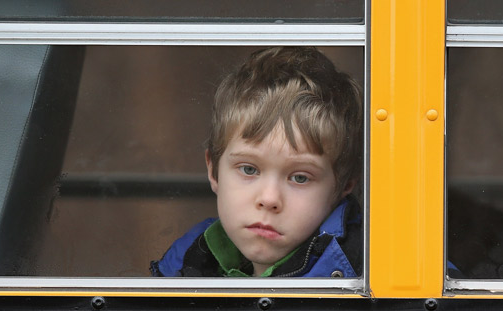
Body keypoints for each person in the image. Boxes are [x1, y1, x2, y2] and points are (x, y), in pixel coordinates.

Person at [151, 47, 362, 278]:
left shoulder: (361, 274)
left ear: (344, 185)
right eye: (249, 169)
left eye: (300, 177)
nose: (269, 199)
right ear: (213, 171)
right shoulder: (185, 264)